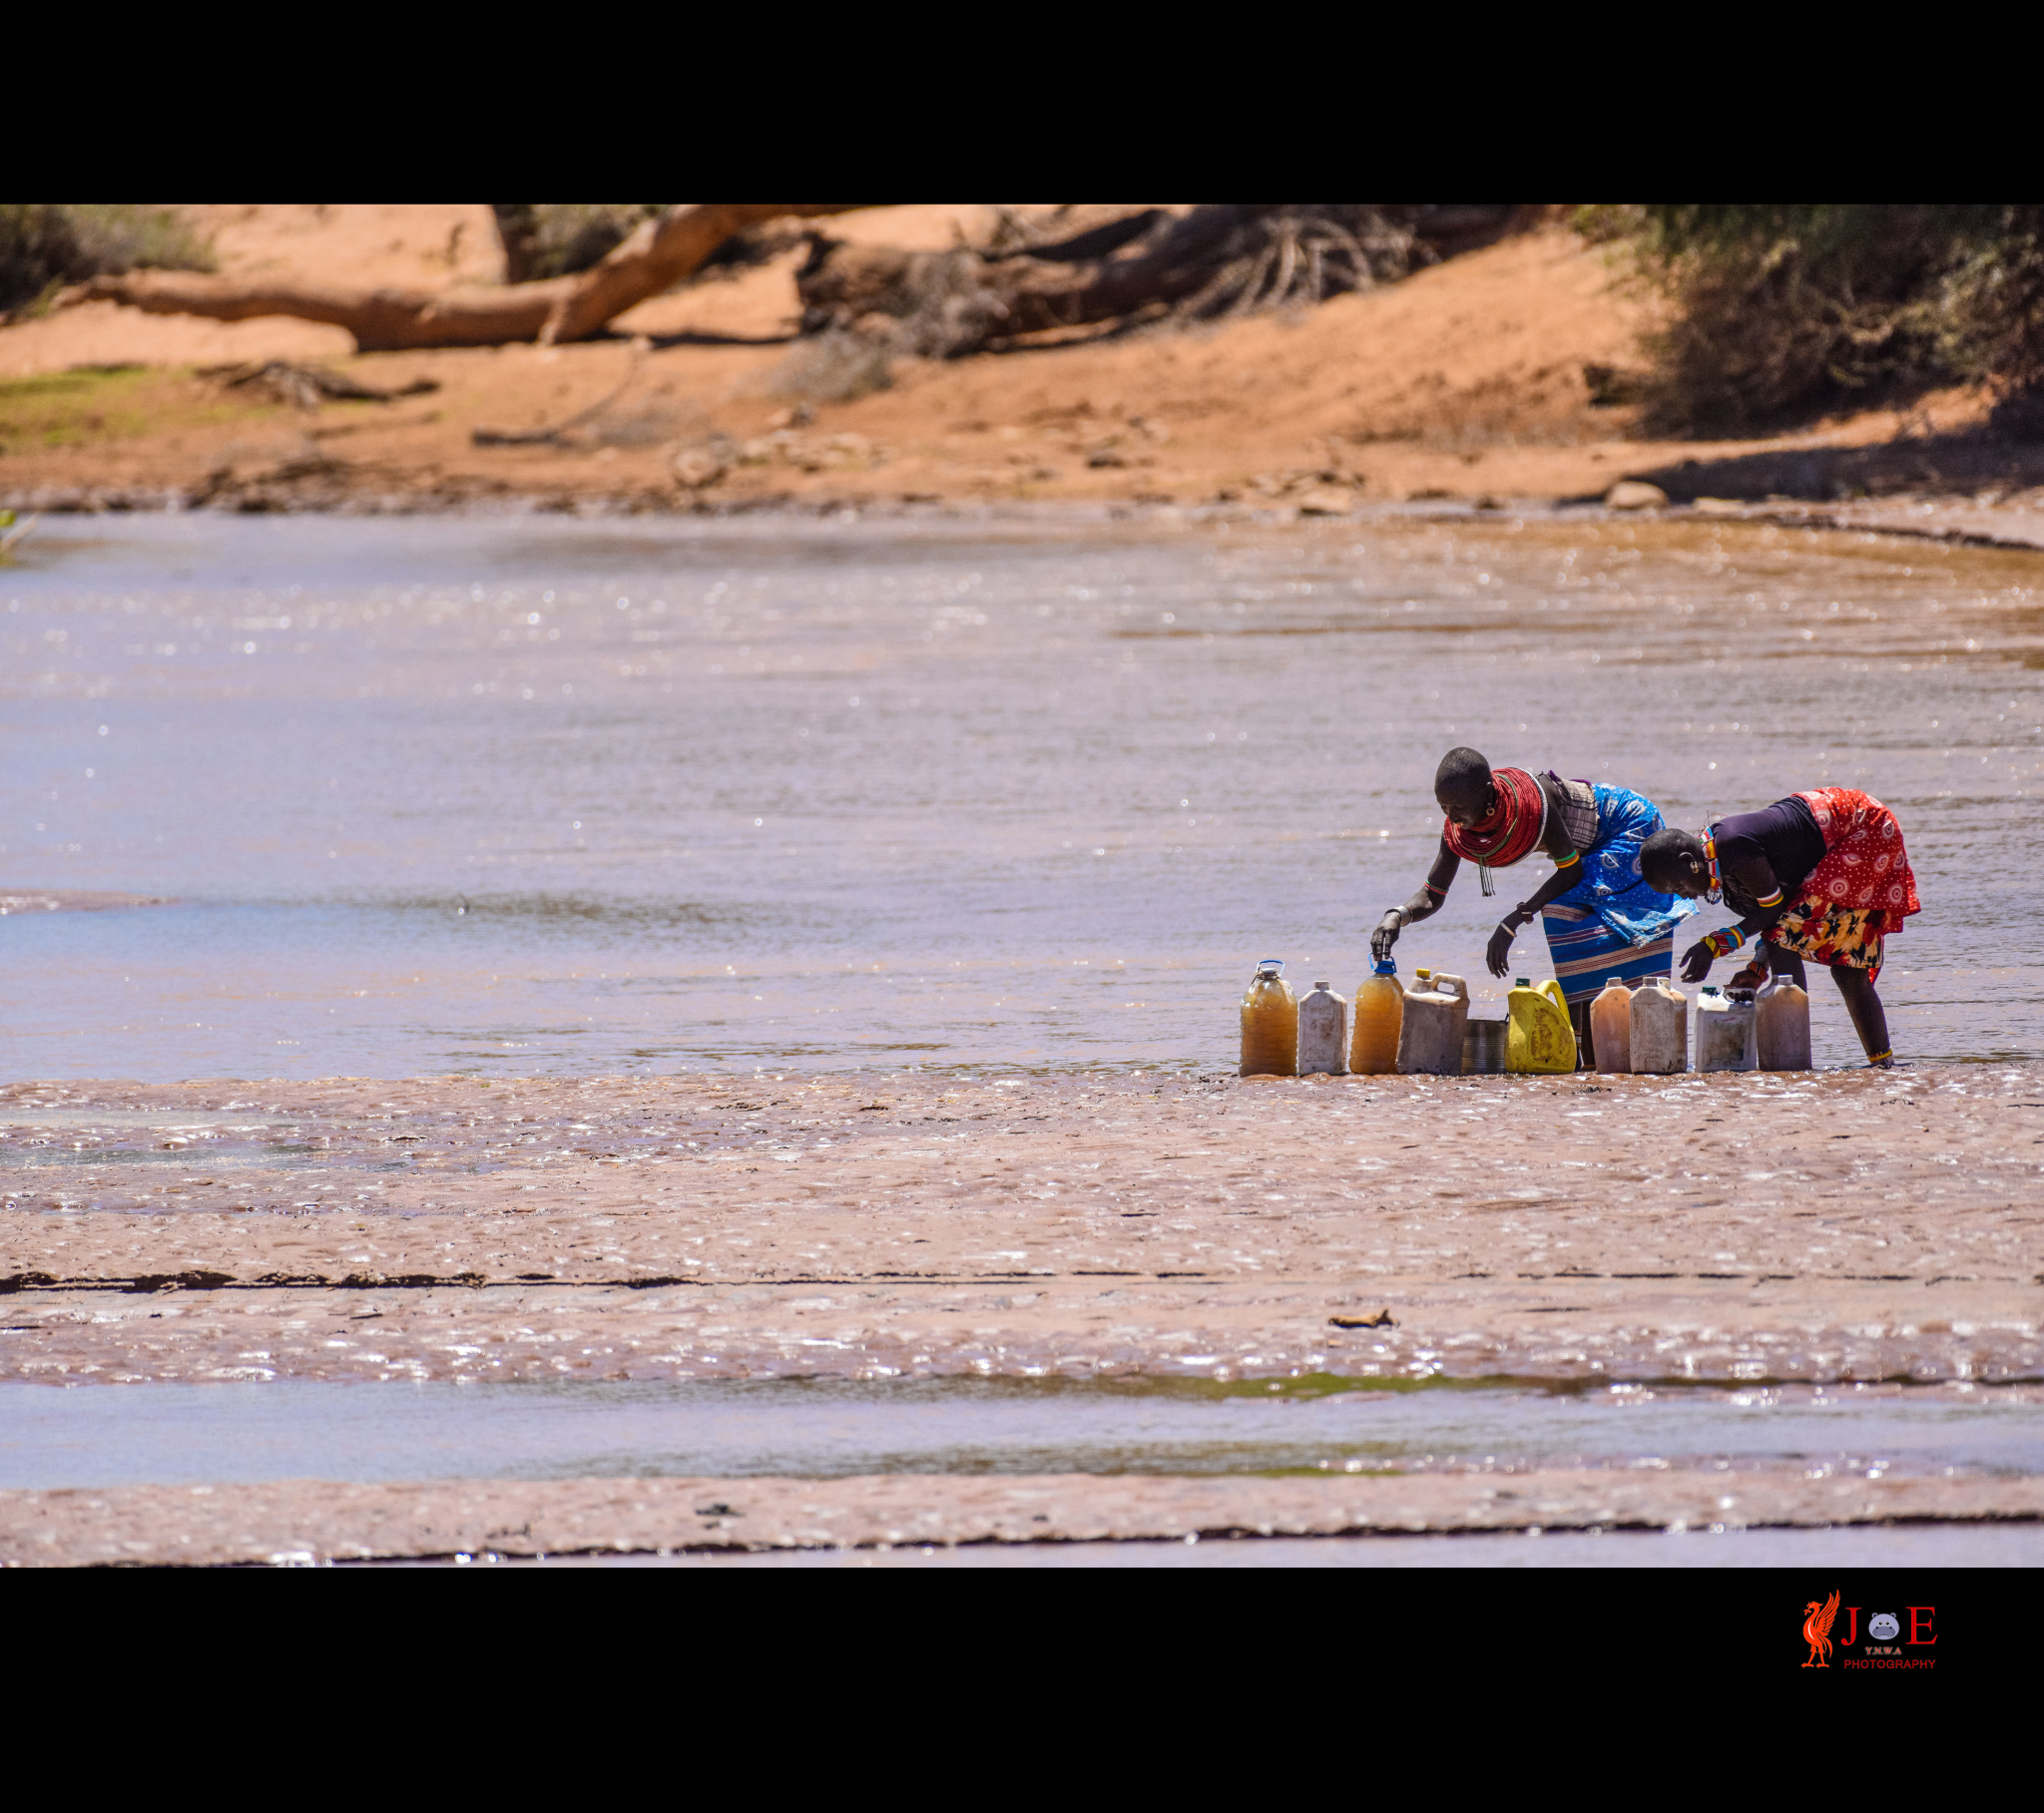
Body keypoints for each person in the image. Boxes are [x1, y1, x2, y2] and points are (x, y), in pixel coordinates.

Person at [1371, 748, 1698, 1067]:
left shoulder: (1533, 805)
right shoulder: (1459, 832)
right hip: (1589, 851)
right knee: (1568, 916)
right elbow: (1433, 894)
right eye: (1443, 806)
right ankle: (1587, 1048)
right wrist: (1395, 916)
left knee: (1560, 909)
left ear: (1487, 795)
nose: (1451, 815)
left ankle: (1599, 1040)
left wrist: (1511, 924)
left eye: (1457, 806)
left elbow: (1571, 871)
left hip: (1630, 827)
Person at [1640, 787, 1920, 1068]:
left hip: (1862, 830)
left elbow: (1774, 914)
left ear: (1691, 864)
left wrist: (1714, 945)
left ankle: (1794, 1062)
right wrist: (1757, 969)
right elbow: (1778, 916)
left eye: (1678, 886)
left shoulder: (1732, 846)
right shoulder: (1728, 871)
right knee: (1844, 969)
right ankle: (1881, 1065)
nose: (1683, 896)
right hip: (1850, 829)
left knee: (1827, 961)